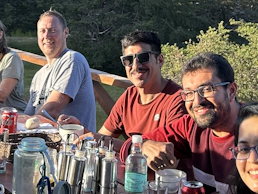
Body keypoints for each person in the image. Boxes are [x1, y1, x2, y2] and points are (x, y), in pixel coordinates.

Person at [119, 52, 240, 194]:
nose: (197, 101)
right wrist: (144, 146)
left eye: (207, 89)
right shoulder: (190, 126)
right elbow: (127, 147)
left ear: (231, 91)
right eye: (189, 93)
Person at [58, 30, 186, 140]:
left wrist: (123, 147)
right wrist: (81, 130)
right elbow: (102, 137)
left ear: (160, 60)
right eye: (128, 60)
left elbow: (167, 153)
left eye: (143, 57)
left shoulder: (177, 100)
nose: (135, 66)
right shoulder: (129, 96)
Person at [24, 9, 96, 132]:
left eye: (53, 30)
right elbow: (29, 116)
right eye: (42, 31)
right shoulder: (39, 75)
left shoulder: (72, 60)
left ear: (65, 32)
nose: (46, 36)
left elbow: (52, 109)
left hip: (74, 144)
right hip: (43, 142)